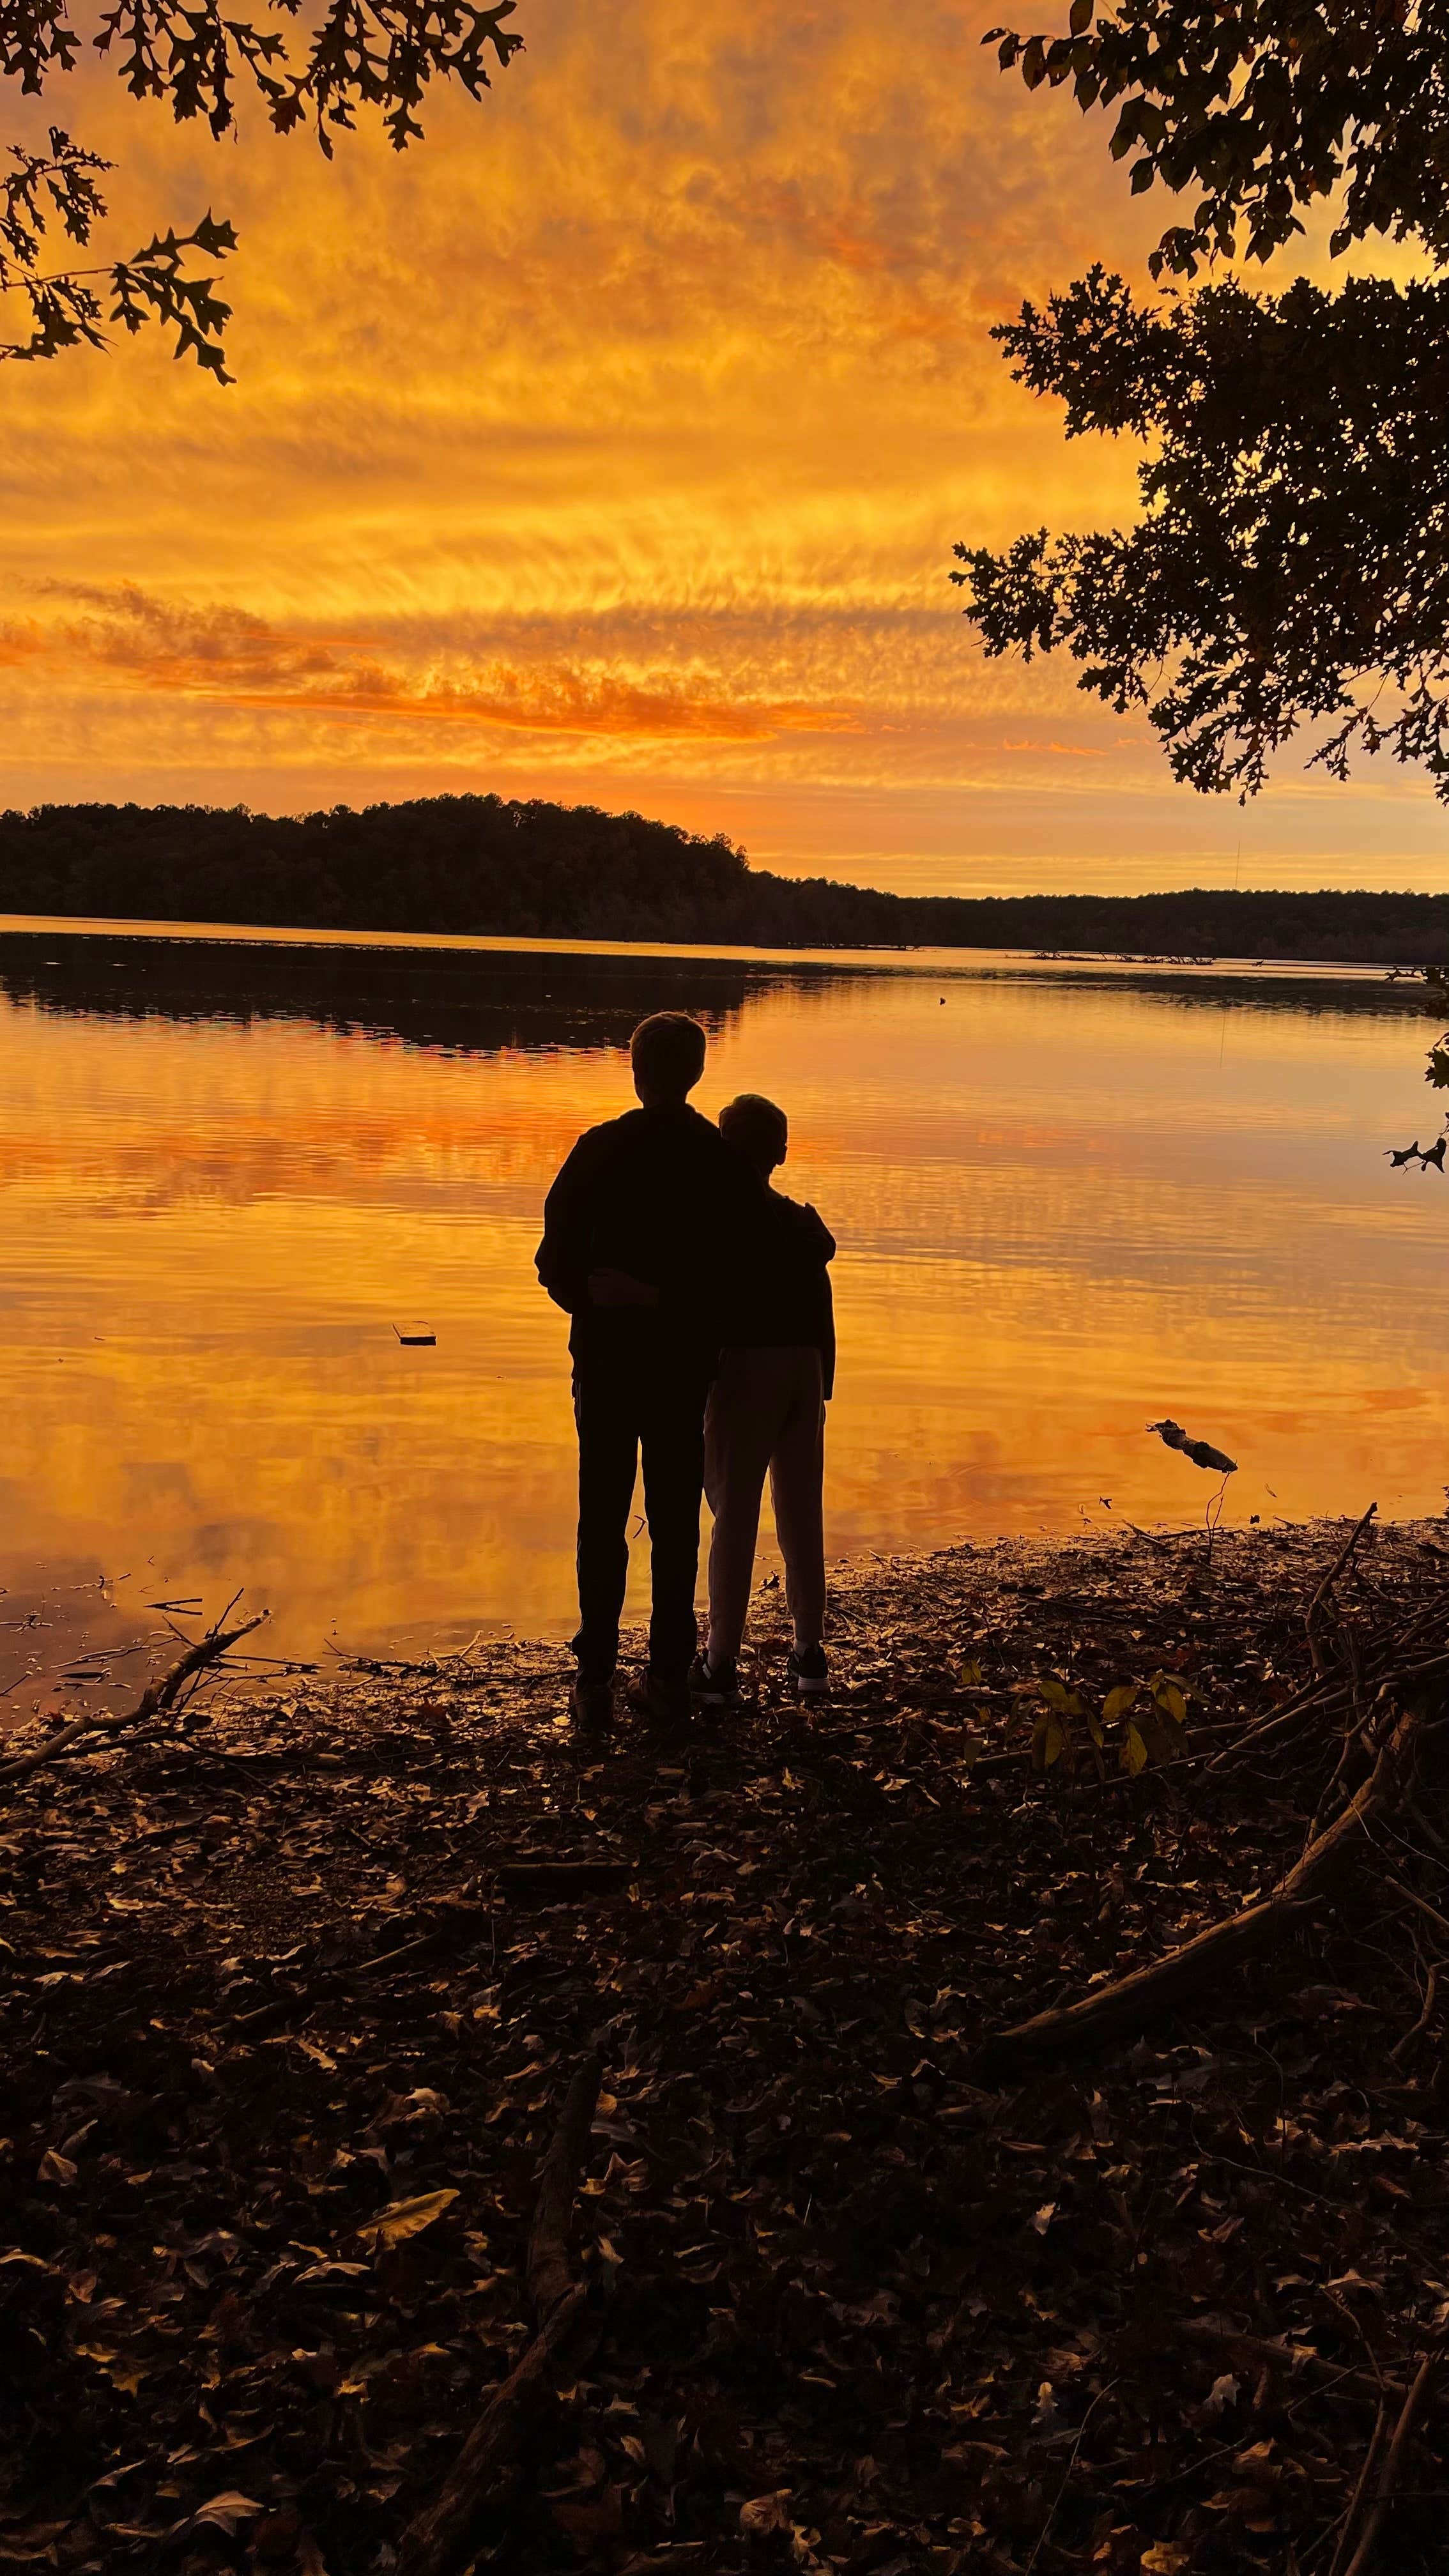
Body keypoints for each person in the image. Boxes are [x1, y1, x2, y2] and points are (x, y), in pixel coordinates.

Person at [535, 1011, 754, 1733]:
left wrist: (597, 1302)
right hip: (681, 1370)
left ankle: (595, 1675)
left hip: (604, 1364)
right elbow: (732, 1288)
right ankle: (666, 1674)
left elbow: (552, 1262)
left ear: (636, 1070)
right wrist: (667, 1305)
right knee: (672, 1523)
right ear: (695, 1075)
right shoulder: (718, 1162)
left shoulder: (600, 1148)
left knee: (601, 1515)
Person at [693, 1092, 836, 1705]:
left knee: (734, 1514)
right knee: (802, 1512)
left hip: (745, 1367)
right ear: (780, 1151)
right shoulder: (799, 1222)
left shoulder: (719, 1220)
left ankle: (720, 1662)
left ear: (724, 1148)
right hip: (805, 1365)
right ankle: (809, 1653)